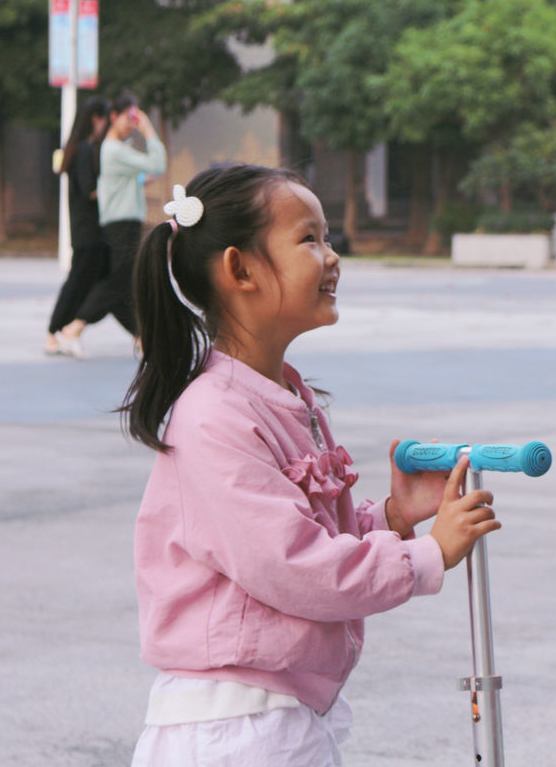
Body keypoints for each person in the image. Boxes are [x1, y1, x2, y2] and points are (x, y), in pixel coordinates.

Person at [123, 165, 500, 765]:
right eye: (309, 239)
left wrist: (396, 517)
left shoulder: (285, 398)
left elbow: (306, 539)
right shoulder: (213, 418)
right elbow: (294, 567)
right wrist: (428, 555)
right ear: (239, 269)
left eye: (327, 238)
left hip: (276, 717)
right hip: (234, 730)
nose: (332, 257)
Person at [56, 95, 166, 358]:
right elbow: (158, 164)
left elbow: (139, 173)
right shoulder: (115, 149)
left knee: (125, 281)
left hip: (121, 220)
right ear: (114, 117)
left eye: (136, 119)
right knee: (118, 280)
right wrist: (149, 130)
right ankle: (74, 327)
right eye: (130, 117)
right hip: (122, 222)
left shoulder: (115, 149)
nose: (133, 124)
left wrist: (138, 179)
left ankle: (142, 337)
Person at [45, 96, 111, 356]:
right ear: (96, 119)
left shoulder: (80, 148)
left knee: (108, 281)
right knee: (80, 282)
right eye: (106, 120)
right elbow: (89, 190)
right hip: (89, 230)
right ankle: (56, 331)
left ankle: (139, 334)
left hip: (88, 229)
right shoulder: (84, 150)